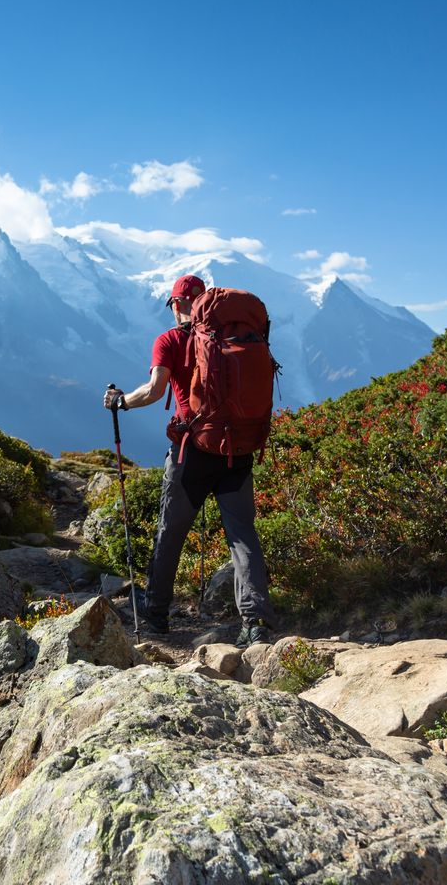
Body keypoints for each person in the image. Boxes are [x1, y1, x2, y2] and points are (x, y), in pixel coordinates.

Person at [102, 273, 279, 646]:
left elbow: (154, 391)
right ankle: (256, 622)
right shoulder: (237, 334)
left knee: (171, 533)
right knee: (243, 536)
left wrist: (121, 401)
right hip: (238, 450)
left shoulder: (169, 339)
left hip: (192, 452)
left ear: (178, 304)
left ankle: (156, 616)